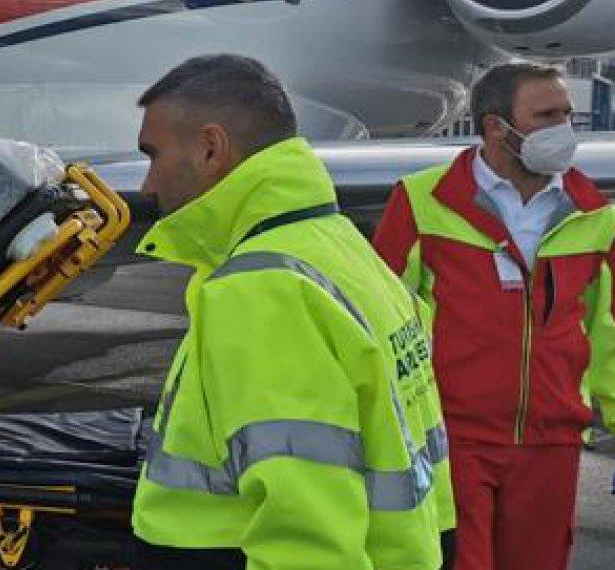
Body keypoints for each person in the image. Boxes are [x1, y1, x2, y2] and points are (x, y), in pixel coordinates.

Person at [129, 55, 452, 570]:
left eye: (154, 155)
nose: (148, 184)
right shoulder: (342, 249)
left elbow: (306, 524)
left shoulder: (261, 287)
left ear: (211, 147)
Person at [373, 62, 615, 570]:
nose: (562, 130)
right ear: (494, 127)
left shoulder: (594, 214)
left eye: (566, 115)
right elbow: (380, 322)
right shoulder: (421, 201)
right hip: (452, 439)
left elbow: (611, 333)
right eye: (545, 116)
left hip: (551, 447)